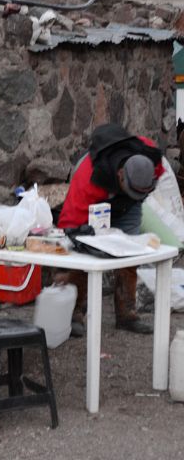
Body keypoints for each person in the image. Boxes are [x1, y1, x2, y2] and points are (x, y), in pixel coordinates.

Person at [57, 123, 162, 336]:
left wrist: (134, 196)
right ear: (122, 174)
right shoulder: (88, 178)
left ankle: (126, 314)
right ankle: (75, 313)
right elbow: (70, 223)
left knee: (130, 251)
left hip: (127, 204)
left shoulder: (151, 159)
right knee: (82, 254)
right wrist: (70, 246)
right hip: (96, 200)